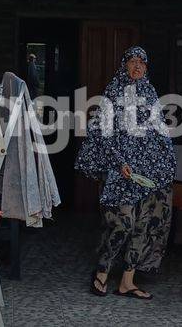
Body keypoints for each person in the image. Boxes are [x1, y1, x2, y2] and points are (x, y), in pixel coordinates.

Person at [75, 46, 176, 300]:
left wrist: (165, 162)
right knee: (123, 223)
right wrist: (119, 162)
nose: (137, 66)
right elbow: (101, 133)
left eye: (142, 62)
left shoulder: (150, 93)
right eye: (132, 61)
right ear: (124, 65)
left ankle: (127, 282)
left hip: (146, 173)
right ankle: (101, 272)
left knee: (143, 225)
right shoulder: (113, 93)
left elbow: (160, 132)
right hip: (120, 172)